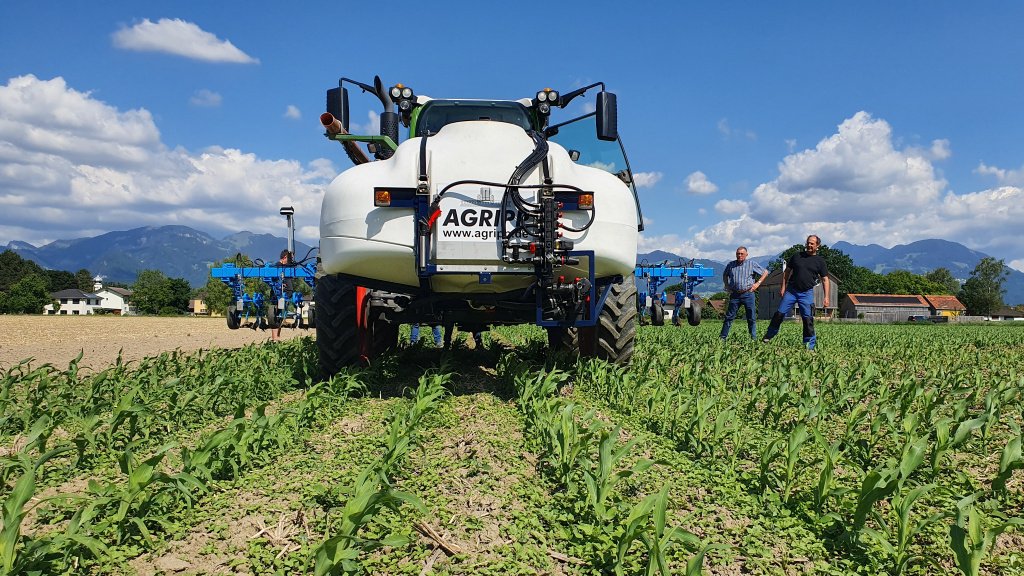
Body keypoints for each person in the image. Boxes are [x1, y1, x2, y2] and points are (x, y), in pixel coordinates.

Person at [762, 235, 830, 350]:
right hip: (792, 291)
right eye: (808, 243)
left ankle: (809, 346)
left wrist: (826, 297)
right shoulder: (796, 256)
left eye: (812, 243)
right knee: (779, 314)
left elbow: (825, 279)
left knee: (808, 319)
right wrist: (783, 287)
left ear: (817, 246)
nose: (809, 245)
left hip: (806, 293)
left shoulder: (820, 261)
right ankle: (769, 335)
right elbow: (786, 272)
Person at [720, 246, 768, 341]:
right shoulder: (731, 265)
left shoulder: (751, 264)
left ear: (746, 254)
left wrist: (757, 284)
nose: (739, 255)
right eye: (738, 253)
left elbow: (765, 272)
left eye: (742, 253)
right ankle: (722, 338)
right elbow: (725, 275)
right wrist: (727, 285)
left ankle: (753, 339)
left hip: (748, 294)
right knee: (729, 317)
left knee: (751, 318)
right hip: (735, 295)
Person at [270, 249, 293, 341]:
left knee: (281, 317)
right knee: (275, 315)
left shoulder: (287, 267)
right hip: (278, 294)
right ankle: (275, 338)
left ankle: (277, 337)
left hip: (286, 295)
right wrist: (280, 284)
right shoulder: (276, 267)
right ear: (285, 257)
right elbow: (272, 280)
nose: (292, 261)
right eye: (290, 259)